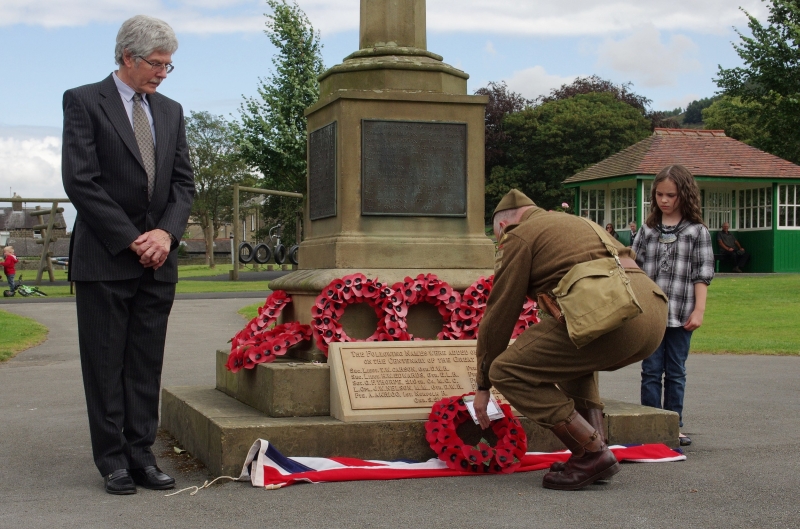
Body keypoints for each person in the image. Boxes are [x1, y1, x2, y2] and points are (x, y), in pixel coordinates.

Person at [61, 15, 195, 495]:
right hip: (105, 257)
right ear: (127, 58)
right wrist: (132, 238)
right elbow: (81, 180)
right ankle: (112, 461)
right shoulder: (83, 102)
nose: (162, 72)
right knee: (103, 363)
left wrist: (165, 236)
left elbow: (183, 184)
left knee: (145, 363)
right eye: (156, 63)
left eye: (168, 65)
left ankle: (142, 455)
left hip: (159, 262)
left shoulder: (172, 111)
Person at [473, 189, 668, 490]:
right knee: (575, 351)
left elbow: (500, 314)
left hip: (617, 316)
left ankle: (591, 452)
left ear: (502, 226)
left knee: (506, 370)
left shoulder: (518, 235)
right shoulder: (575, 222)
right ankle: (596, 443)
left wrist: (484, 382)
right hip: (652, 313)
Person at [631, 165, 714, 447]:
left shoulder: (696, 232)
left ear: (685, 195)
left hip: (682, 313)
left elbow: (702, 273)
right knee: (651, 371)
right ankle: (649, 423)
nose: (664, 200)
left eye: (671, 195)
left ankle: (672, 424)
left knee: (675, 371)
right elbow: (634, 267)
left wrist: (699, 310)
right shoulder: (648, 229)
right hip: (651, 315)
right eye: (659, 194)